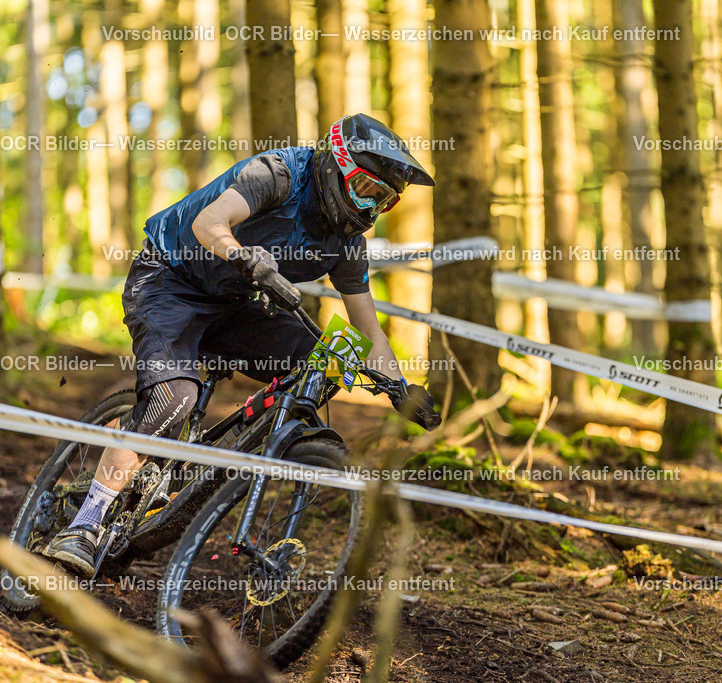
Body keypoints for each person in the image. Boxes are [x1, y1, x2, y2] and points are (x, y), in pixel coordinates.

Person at [41, 114, 441, 577]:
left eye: (385, 201)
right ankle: (86, 523)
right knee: (174, 400)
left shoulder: (347, 243)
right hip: (169, 279)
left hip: (233, 300)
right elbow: (210, 222)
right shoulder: (278, 173)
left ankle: (222, 459)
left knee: (321, 365)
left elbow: (370, 334)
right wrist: (244, 256)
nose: (371, 209)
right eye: (367, 191)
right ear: (337, 165)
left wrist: (400, 389)